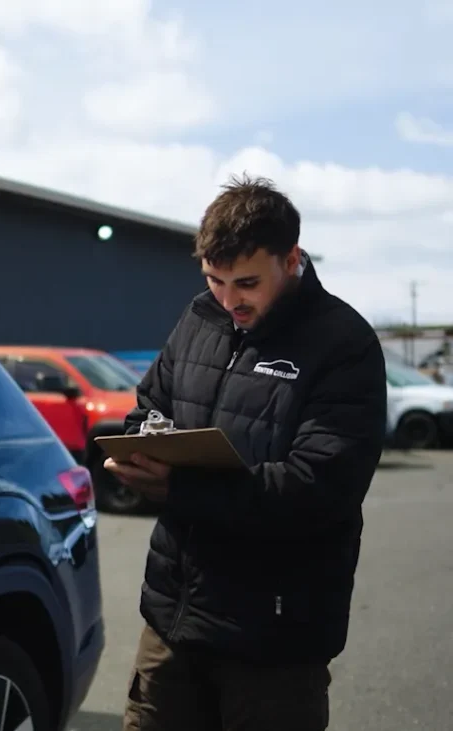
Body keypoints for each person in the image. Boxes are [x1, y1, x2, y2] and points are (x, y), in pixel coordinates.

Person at [105, 174, 387, 731]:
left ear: (292, 259)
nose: (230, 300)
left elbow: (318, 487)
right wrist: (144, 444)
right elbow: (149, 404)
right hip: (173, 623)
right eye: (215, 280)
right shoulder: (198, 319)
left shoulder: (343, 343)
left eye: (247, 283)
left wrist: (179, 488)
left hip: (274, 643)